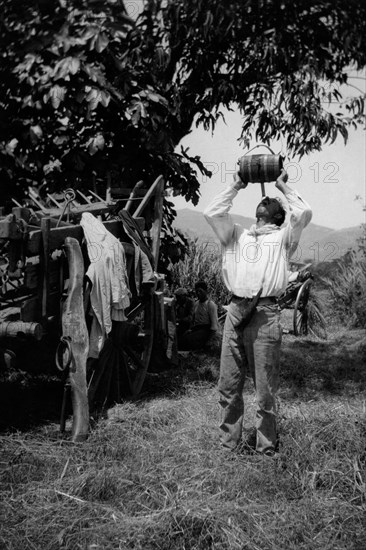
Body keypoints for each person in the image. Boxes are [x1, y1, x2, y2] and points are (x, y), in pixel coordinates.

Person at [203, 169, 312, 456]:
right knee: (228, 386)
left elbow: (303, 212)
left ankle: (265, 449)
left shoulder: (284, 238)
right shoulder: (236, 235)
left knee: (264, 391)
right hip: (236, 311)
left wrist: (283, 187)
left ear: (278, 217)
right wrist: (237, 185)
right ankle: (228, 446)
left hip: (265, 315)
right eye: (266, 198)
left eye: (272, 201)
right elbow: (212, 212)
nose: (266, 199)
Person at [178, 281, 219, 351]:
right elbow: (193, 320)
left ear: (206, 291)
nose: (198, 293)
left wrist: (209, 341)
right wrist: (190, 330)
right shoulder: (196, 304)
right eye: (197, 291)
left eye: (200, 291)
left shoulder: (210, 304)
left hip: (205, 331)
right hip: (196, 329)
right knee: (181, 338)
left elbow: (214, 326)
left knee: (187, 340)